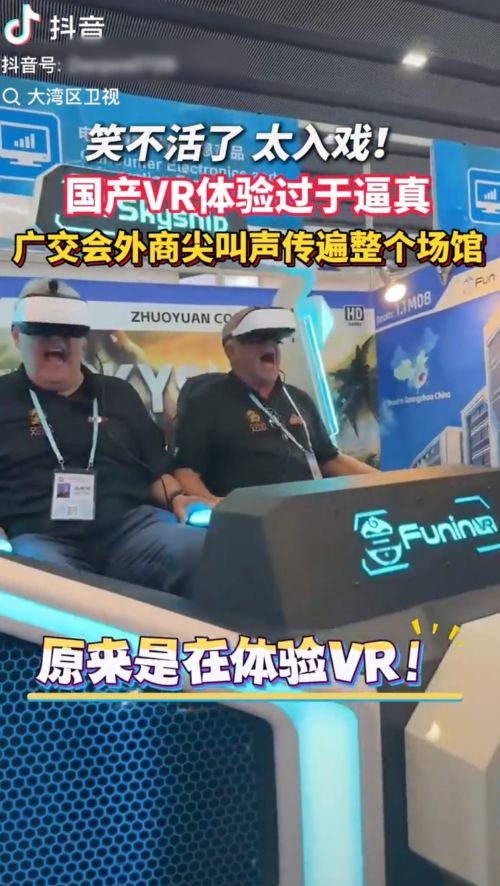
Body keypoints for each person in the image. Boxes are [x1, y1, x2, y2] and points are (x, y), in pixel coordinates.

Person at [0, 278, 210, 595]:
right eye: (41, 329)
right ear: (17, 336)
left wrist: (179, 498)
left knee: (205, 550)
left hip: (129, 529)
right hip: (39, 537)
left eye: (68, 330)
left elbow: (156, 471)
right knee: (44, 587)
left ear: (83, 340)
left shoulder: (117, 394)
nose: (55, 338)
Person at [173, 306, 377, 502]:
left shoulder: (298, 398)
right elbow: (186, 471)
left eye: (275, 339)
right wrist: (214, 505)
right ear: (231, 351)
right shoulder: (206, 402)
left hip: (311, 509)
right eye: (258, 338)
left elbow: (329, 459)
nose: (270, 346)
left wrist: (385, 481)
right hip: (246, 516)